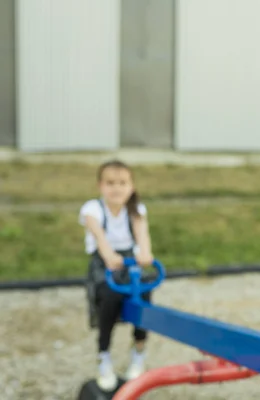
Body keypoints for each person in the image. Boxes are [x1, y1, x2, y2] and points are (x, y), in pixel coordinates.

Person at [79, 160, 154, 391]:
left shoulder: (136, 209)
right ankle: (104, 356)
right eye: (110, 183)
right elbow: (99, 235)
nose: (117, 188)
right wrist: (110, 255)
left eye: (122, 183)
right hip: (105, 263)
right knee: (109, 300)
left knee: (144, 296)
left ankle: (138, 351)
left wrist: (146, 253)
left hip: (129, 263)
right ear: (100, 186)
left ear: (131, 186)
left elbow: (142, 235)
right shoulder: (92, 209)